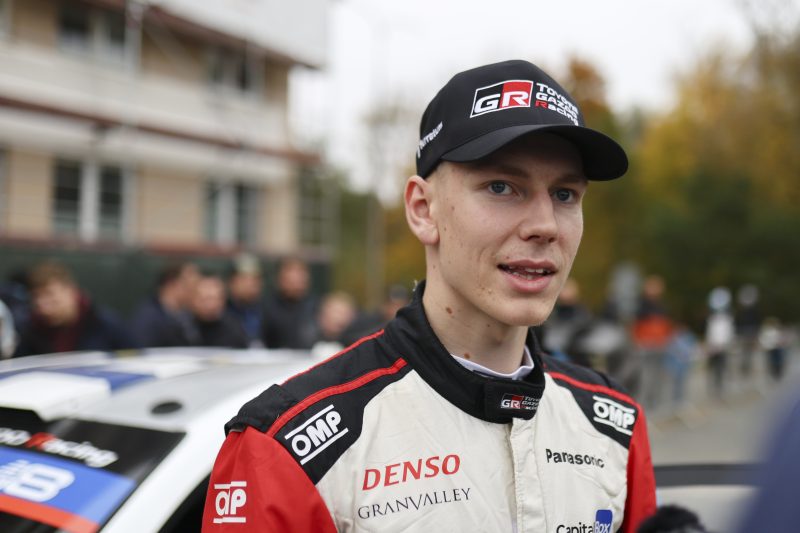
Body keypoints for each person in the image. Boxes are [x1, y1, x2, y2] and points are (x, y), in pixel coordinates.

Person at [202, 59, 655, 532]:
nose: (545, 225)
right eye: (502, 187)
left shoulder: (616, 426)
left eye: (565, 195)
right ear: (423, 210)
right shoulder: (285, 449)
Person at [14, 261, 136, 356]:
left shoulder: (105, 325)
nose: (43, 306)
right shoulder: (31, 331)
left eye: (50, 295)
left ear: (71, 291)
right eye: (36, 297)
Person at [129, 261, 199, 348]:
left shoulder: (185, 316)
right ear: (172, 284)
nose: (195, 290)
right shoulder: (149, 320)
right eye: (191, 285)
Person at [261, 256, 318, 349]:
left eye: (300, 274)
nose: (296, 280)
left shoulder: (316, 307)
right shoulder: (266, 307)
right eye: (291, 275)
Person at [187, 275, 249, 349]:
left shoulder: (234, 330)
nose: (209, 305)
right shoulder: (181, 329)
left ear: (223, 300)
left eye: (213, 299)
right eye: (204, 299)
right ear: (192, 299)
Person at [226, 253, 265, 347]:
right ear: (232, 281)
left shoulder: (268, 312)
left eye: (254, 279)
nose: (249, 284)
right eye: (244, 279)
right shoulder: (220, 312)